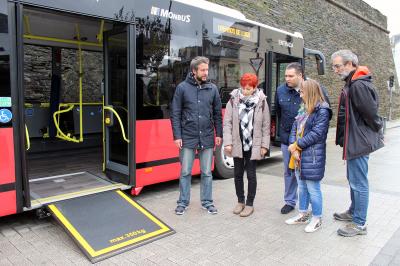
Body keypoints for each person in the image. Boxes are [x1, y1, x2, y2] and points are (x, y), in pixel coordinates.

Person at [331, 50, 384, 237]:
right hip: (354, 141)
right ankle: (354, 212)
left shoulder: (358, 86)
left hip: (358, 142)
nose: (335, 70)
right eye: (334, 66)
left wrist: (375, 130)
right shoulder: (353, 83)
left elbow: (371, 114)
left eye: (337, 66)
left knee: (359, 182)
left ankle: (360, 223)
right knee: (354, 180)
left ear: (350, 64)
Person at [170, 56, 222, 215]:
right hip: (187, 136)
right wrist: (177, 136)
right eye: (203, 70)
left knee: (206, 172)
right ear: (194, 71)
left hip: (206, 137)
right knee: (185, 172)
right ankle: (183, 202)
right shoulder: (182, 88)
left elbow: (217, 113)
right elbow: (175, 113)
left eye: (207, 69)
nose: (206, 72)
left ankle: (207, 202)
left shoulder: (212, 89)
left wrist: (218, 133)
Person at [284, 79, 332, 233]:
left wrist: (297, 146)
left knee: (313, 188)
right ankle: (303, 214)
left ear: (310, 92)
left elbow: (317, 134)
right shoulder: (303, 109)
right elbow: (294, 128)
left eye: (302, 91)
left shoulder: (322, 110)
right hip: (298, 155)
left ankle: (317, 218)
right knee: (302, 188)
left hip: (312, 157)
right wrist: (293, 149)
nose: (300, 93)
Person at [223, 73, 270, 217]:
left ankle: (249, 204)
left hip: (253, 144)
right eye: (243, 87)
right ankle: (240, 201)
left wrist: (264, 146)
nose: (245, 91)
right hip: (238, 143)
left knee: (251, 175)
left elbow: (265, 125)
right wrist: (228, 142)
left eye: (249, 88)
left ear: (255, 87)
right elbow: (228, 122)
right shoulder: (233, 100)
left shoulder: (261, 101)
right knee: (237, 174)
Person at [275, 62, 303, 214]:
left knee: (306, 173)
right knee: (289, 171)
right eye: (286, 76)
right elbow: (279, 113)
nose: (287, 79)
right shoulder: (280, 90)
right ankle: (290, 201)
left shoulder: (311, 89)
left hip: (305, 141)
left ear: (300, 75)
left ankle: (307, 204)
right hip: (287, 139)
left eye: (291, 76)